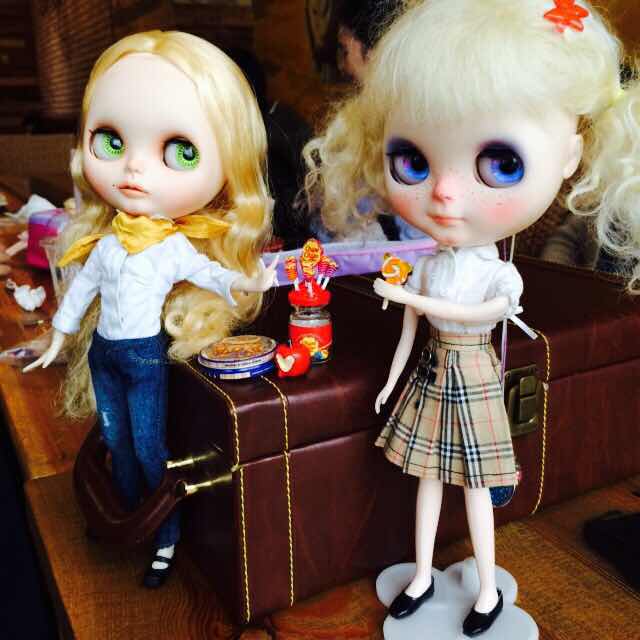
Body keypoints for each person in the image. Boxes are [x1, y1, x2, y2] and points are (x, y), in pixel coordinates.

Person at [305, 0, 631, 635]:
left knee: (477, 490)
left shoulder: (497, 273)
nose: (446, 194)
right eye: (413, 161)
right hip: (431, 377)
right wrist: (391, 380)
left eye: (500, 164)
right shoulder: (430, 265)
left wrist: (413, 301)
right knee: (426, 480)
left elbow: (480, 312)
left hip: (476, 378)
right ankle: (423, 573)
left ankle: (485, 588)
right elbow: (411, 330)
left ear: (569, 156)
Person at [24, 31, 277, 588]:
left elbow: (210, 274)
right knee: (115, 443)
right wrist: (60, 335)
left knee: (148, 448)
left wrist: (246, 279)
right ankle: (127, 517)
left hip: (142, 358)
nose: (134, 170)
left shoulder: (171, 247)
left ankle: (164, 538)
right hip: (104, 354)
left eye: (181, 152)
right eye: (112, 142)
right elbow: (82, 290)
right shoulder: (109, 243)